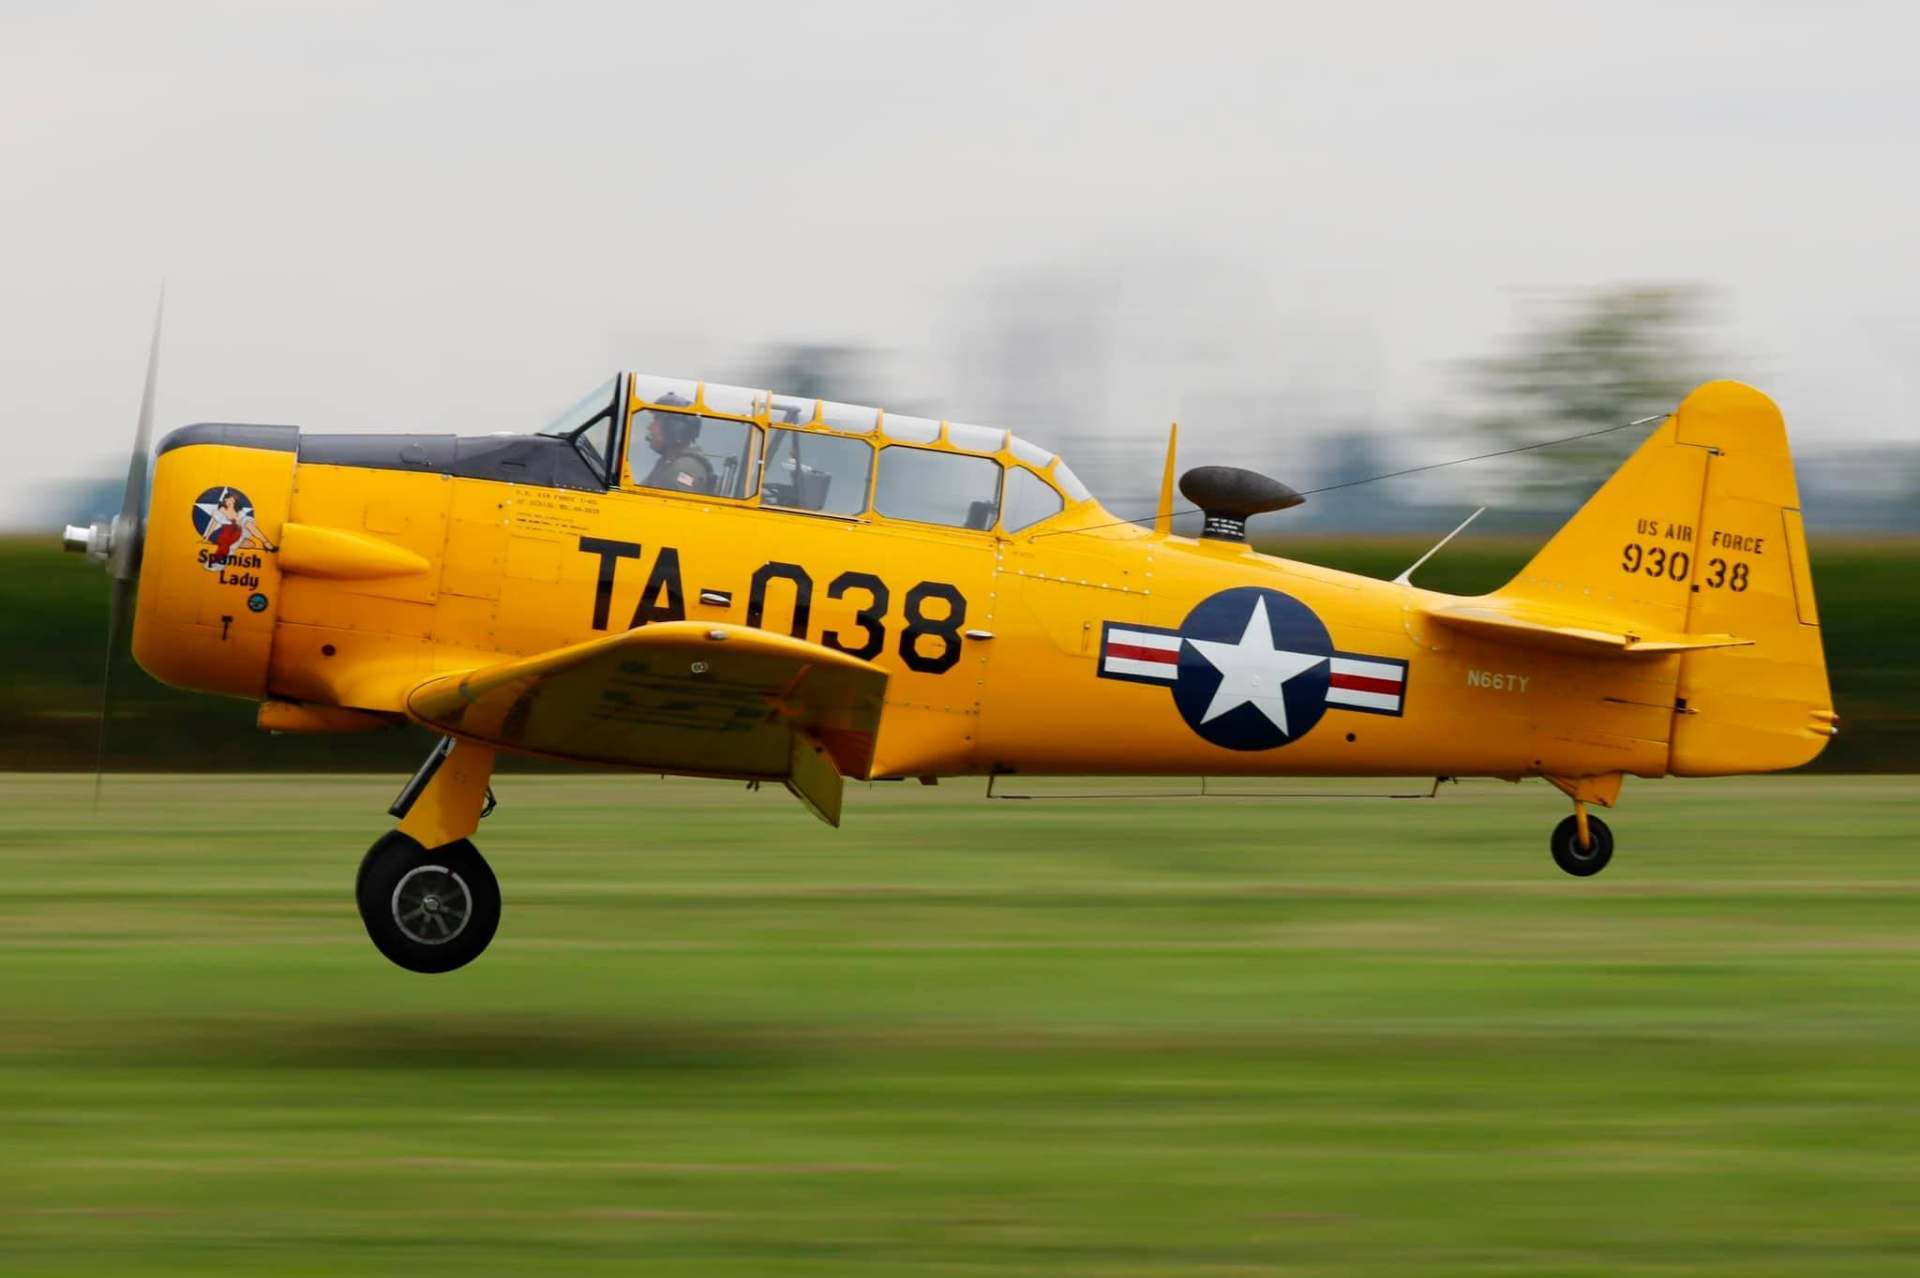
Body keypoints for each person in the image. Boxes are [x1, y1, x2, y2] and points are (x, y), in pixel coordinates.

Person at [637, 407, 717, 494]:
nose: (649, 427)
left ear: (674, 429)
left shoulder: (685, 468)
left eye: (656, 421)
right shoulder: (667, 463)